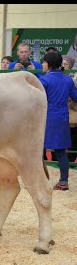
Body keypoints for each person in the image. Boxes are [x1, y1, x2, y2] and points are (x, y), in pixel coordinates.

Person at [39, 51, 77, 191]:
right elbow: (75, 97)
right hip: (62, 117)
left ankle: (39, 181)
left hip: (46, 116)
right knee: (61, 152)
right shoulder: (68, 80)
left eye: (43, 62)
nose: (42, 64)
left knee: (39, 150)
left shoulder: (44, 80)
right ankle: (63, 181)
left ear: (48, 64)